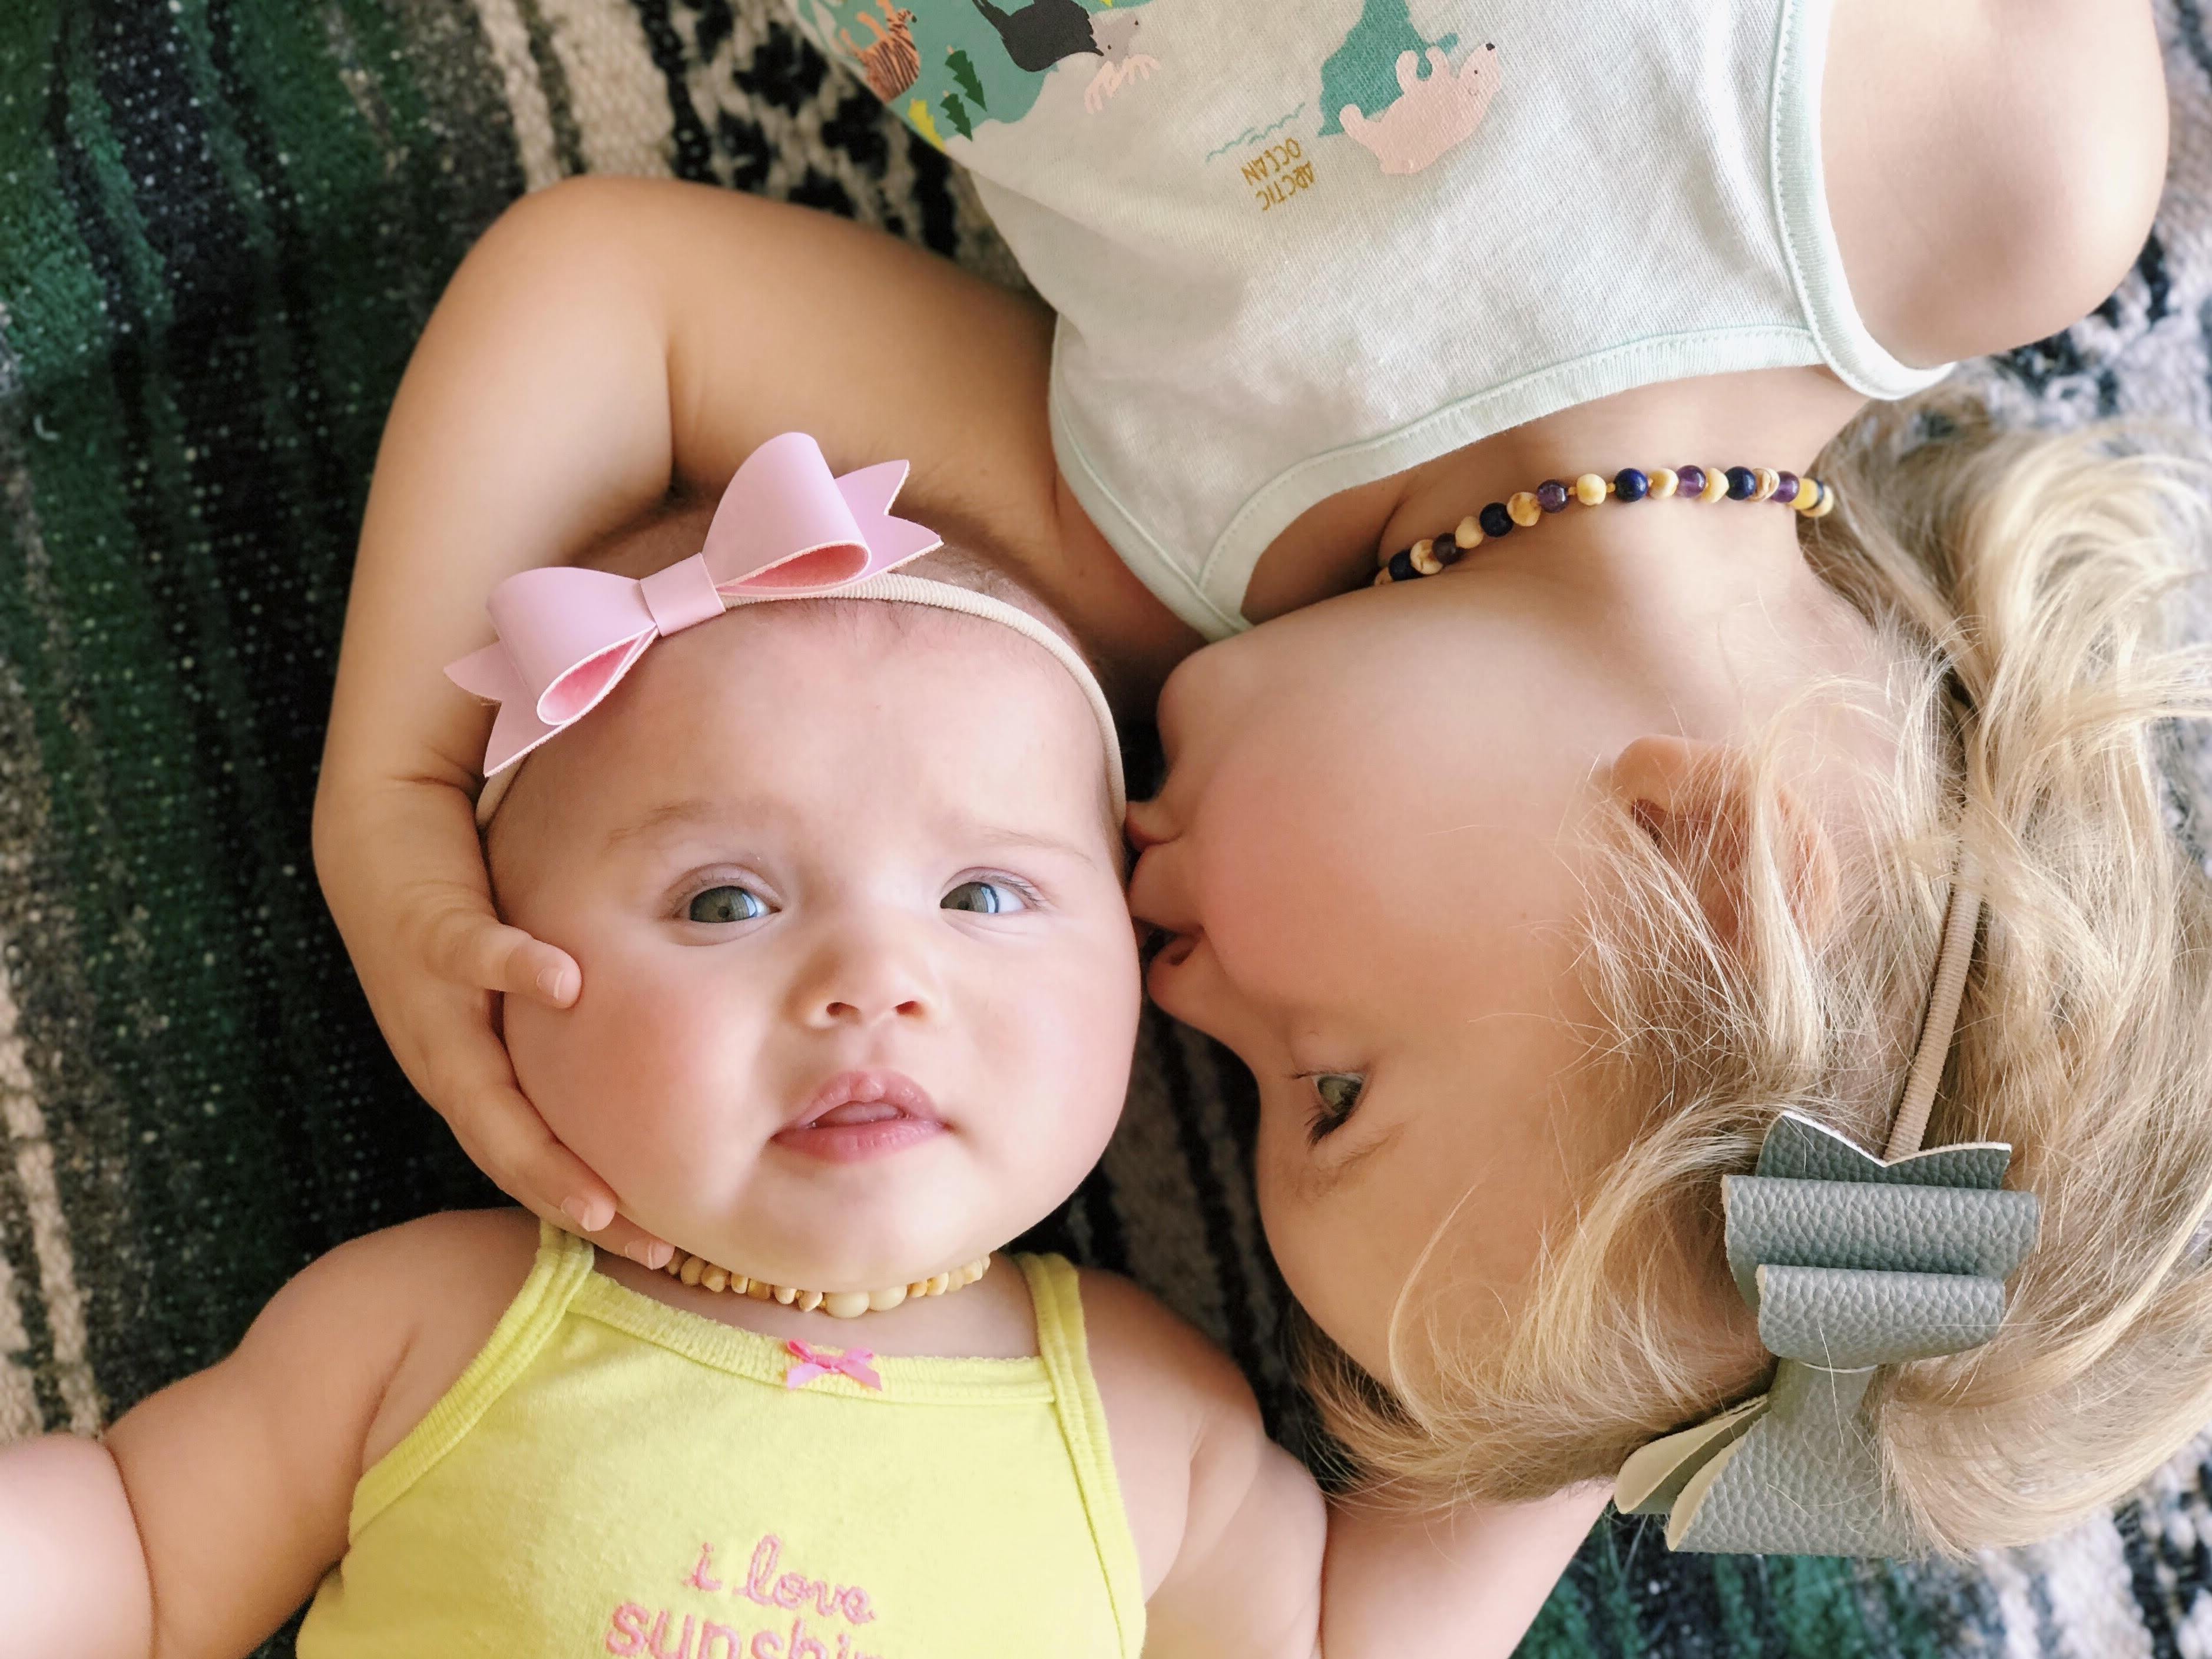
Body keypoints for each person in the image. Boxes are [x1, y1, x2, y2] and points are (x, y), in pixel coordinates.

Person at [313, 0, 2212, 1554]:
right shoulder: (1976, 171)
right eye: (1328, 1082)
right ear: (1721, 867)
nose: (1168, 984)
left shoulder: (1147, 550)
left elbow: (615, 301)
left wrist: (398, 783)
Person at [0, 438, 1606, 1654]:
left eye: (984, 891)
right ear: (494, 986)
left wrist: (1639, 1293)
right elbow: (131, 1564)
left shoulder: (1140, 1411)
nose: (871, 978)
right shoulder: (433, 1324)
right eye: (721, 900)